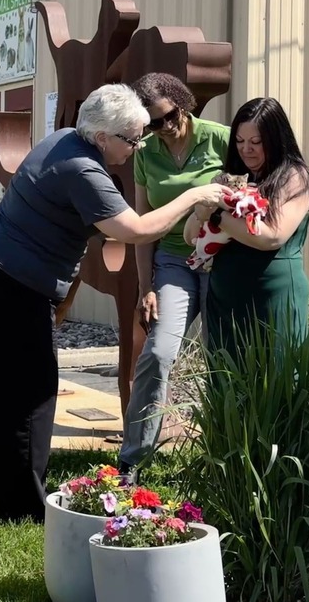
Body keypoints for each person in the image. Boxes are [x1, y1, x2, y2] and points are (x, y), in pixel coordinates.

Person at [0, 83, 230, 522]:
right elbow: (136, 230)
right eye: (133, 138)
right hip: (16, 278)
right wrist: (194, 196)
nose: (139, 146)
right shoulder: (83, 171)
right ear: (105, 136)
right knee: (31, 392)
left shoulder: (65, 139)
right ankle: (22, 507)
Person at [118, 72, 230, 475]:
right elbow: (143, 224)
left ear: (182, 103)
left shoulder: (220, 138)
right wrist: (145, 286)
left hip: (221, 261)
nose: (163, 129)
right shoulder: (146, 153)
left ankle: (225, 456)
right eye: (151, 124)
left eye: (167, 117)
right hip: (173, 262)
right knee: (159, 352)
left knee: (223, 356)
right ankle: (132, 458)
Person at [184, 97, 309, 355]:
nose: (246, 149)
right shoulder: (231, 178)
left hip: (273, 298)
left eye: (256, 142)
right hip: (224, 300)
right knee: (226, 384)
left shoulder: (294, 177)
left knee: (275, 383)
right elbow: (190, 237)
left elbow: (270, 237)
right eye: (239, 141)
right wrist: (201, 210)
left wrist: (216, 215)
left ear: (275, 139)